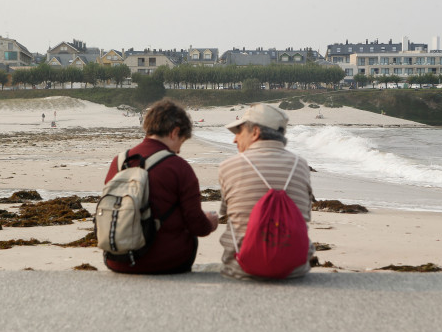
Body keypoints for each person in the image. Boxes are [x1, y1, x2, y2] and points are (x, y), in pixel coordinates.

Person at [103, 99, 218, 274]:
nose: (178, 150)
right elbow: (197, 225)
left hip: (116, 260)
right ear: (174, 132)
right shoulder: (178, 167)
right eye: (181, 141)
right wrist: (210, 223)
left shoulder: (119, 161)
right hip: (164, 262)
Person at [218, 103, 314, 280]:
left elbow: (226, 214)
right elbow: (305, 215)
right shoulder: (301, 165)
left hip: (240, 269)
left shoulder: (228, 166)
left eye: (239, 132)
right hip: (294, 270)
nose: (234, 139)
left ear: (255, 133)